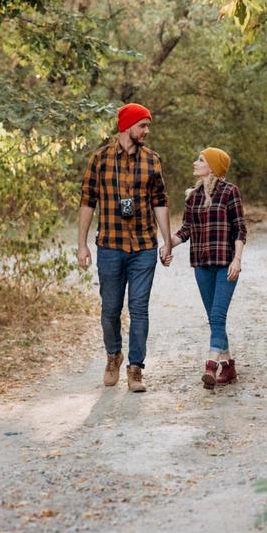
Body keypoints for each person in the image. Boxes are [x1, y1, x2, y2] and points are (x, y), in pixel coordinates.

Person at [77, 102, 172, 393]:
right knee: (110, 309)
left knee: (139, 308)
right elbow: (87, 202)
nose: (147, 131)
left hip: (144, 246)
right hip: (110, 246)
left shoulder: (152, 160)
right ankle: (113, 356)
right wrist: (81, 244)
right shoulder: (100, 160)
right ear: (127, 126)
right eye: (142, 125)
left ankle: (135, 369)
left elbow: (160, 202)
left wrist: (167, 241)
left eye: (148, 126)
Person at [171, 147, 247, 390]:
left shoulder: (229, 192)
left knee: (217, 316)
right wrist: (167, 244)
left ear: (212, 166)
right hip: (201, 265)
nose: (195, 162)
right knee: (214, 319)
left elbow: (239, 229)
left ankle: (211, 366)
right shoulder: (193, 196)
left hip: (226, 265)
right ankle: (230, 366)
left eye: (200, 160)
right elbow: (186, 230)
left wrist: (237, 259)